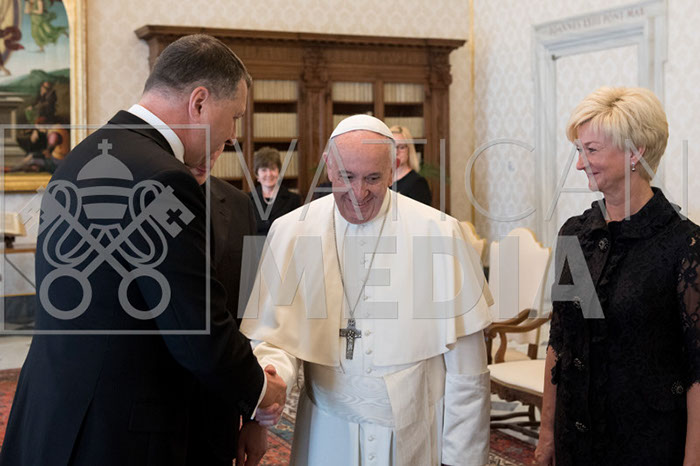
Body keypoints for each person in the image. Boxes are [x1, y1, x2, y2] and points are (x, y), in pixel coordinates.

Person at [0, 34, 286, 466]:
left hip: (56, 409)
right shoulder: (164, 178)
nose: (232, 135)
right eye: (234, 117)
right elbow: (195, 331)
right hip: (115, 429)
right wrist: (262, 391)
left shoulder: (82, 155)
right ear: (200, 102)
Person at [241, 114, 493, 465]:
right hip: (327, 431)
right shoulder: (292, 231)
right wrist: (274, 378)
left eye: (373, 178)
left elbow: (467, 369)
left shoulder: (439, 232)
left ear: (392, 170)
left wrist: (462, 459)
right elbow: (274, 337)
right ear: (329, 167)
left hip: (413, 430)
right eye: (347, 177)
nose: (359, 193)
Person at [535, 87, 700, 466]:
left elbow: (697, 368)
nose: (580, 164)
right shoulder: (575, 234)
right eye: (579, 151)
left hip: (647, 445)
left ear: (634, 152)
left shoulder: (685, 245)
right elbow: (559, 342)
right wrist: (546, 434)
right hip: (575, 440)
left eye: (591, 150)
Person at [186, 148, 271, 466]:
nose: (209, 154)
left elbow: (251, 314)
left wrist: (255, 417)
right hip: (150, 406)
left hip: (218, 405)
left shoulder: (238, 204)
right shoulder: (144, 196)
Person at [249, 146, 301, 235]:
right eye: (264, 170)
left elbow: (296, 231)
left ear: (279, 172)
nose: (269, 174)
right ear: (257, 174)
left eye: (273, 169)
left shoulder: (294, 200)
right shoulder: (247, 200)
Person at [389, 124, 432, 206]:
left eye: (401, 147)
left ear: (409, 150)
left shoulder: (418, 183)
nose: (396, 152)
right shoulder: (382, 181)